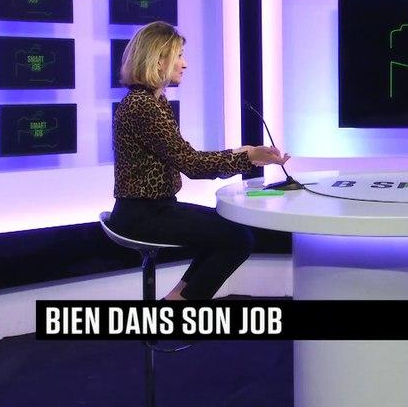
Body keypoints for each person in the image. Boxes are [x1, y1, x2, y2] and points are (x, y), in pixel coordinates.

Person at [107, 21, 290, 300]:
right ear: (158, 61)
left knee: (228, 228)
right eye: (179, 55)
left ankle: (175, 299)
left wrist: (242, 154)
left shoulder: (155, 101)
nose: (185, 64)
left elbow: (183, 155)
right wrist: (246, 158)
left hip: (159, 208)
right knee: (238, 239)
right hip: (141, 216)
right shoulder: (142, 106)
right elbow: (191, 164)